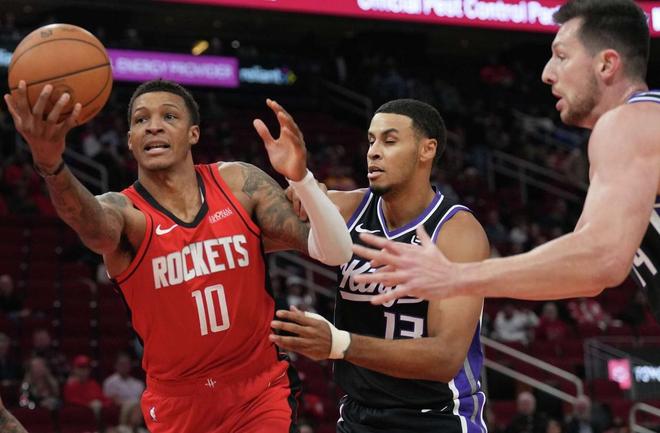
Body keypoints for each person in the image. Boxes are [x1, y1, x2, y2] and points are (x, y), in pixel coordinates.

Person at [3, 78, 352, 433]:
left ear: (193, 134)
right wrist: (51, 164)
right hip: (178, 405)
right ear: (130, 140)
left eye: (169, 116)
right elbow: (89, 223)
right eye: (141, 119)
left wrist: (307, 188)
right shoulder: (125, 212)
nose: (153, 126)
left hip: (258, 391)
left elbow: (323, 245)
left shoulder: (239, 184)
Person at [352, 0, 660, 314]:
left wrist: (455, 276)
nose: (547, 74)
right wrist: (458, 277)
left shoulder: (628, 123)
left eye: (562, 56)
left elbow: (601, 259)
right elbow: (583, 271)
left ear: (606, 64)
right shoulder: (639, 129)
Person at [271, 99, 490, 432]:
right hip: (359, 415)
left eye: (389, 141)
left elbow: (445, 357)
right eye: (371, 141)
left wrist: (340, 344)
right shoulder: (345, 209)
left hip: (437, 417)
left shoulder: (457, 232)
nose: (373, 152)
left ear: (427, 149)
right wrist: (301, 185)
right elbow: (246, 231)